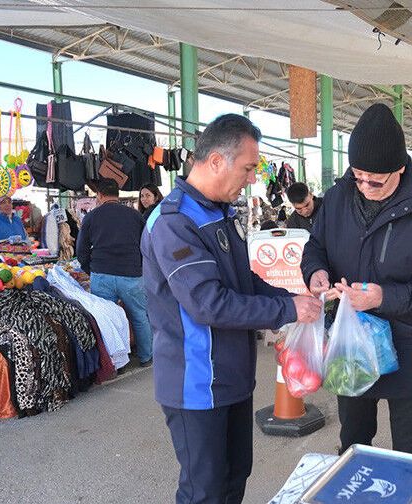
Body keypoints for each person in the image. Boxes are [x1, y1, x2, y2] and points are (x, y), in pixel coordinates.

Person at [141, 114, 322, 504]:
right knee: (204, 490)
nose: (253, 178)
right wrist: (285, 311)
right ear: (217, 161)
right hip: (196, 383)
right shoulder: (174, 221)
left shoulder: (221, 214)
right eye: (249, 168)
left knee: (235, 477)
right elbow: (208, 303)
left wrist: (294, 300)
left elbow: (245, 281)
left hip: (232, 379)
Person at [302, 103, 412, 458]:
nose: (364, 186)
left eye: (375, 180)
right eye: (357, 175)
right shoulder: (337, 197)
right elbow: (316, 247)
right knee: (353, 445)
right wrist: (315, 272)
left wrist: (382, 297)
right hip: (351, 345)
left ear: (400, 168)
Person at [76, 179, 152, 367]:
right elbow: (147, 246)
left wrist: (91, 270)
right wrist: (140, 267)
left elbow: (81, 250)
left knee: (107, 320)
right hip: (132, 274)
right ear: (117, 194)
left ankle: (116, 363)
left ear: (100, 196)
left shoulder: (91, 217)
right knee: (140, 316)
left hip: (102, 275)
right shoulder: (135, 215)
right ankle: (146, 357)